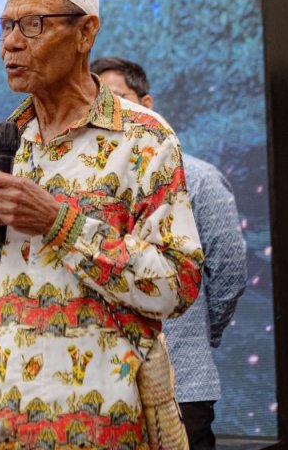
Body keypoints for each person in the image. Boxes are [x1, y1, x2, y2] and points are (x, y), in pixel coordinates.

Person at [0, 0, 204, 449]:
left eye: (32, 24)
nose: (11, 43)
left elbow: (177, 285)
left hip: (100, 427)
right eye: (5, 26)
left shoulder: (143, 139)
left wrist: (58, 223)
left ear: (86, 32)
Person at [90, 56, 247, 450]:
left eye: (119, 99)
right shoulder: (85, 183)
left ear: (147, 104)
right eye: (98, 103)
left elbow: (229, 273)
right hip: (99, 387)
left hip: (183, 383)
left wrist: (197, 333)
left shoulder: (199, 178)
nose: (108, 112)